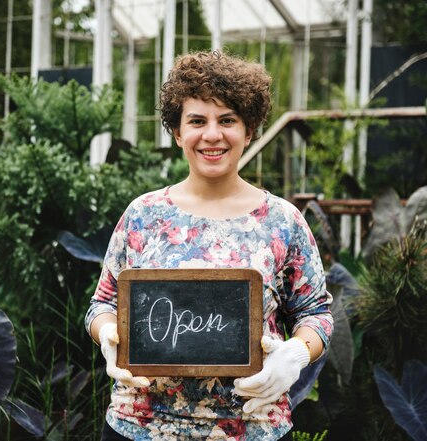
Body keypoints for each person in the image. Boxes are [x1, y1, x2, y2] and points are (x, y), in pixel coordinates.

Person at [85, 50, 333, 441]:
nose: (212, 134)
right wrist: (108, 336)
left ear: (249, 130)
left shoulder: (283, 221)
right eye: (197, 121)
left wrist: (297, 353)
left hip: (253, 427)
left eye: (228, 120)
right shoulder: (143, 215)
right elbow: (103, 303)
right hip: (140, 427)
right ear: (178, 132)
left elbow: (315, 313)